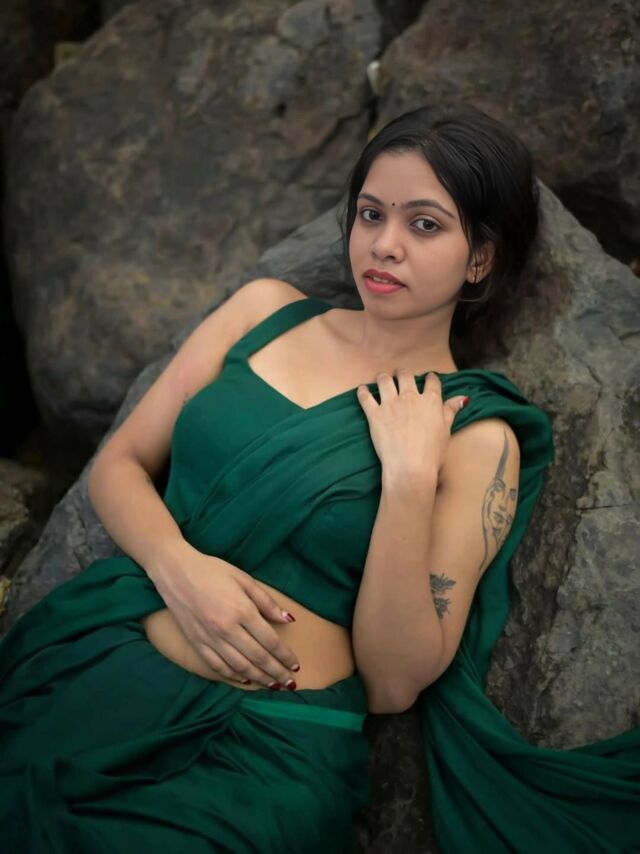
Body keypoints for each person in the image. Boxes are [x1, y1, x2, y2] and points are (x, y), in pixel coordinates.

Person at [0, 103, 638, 853]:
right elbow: (119, 465)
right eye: (371, 214)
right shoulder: (264, 311)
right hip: (103, 669)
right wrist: (182, 572)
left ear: (479, 259)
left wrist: (407, 481)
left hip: (259, 756)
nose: (385, 244)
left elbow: (393, 682)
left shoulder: (475, 436)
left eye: (424, 224)